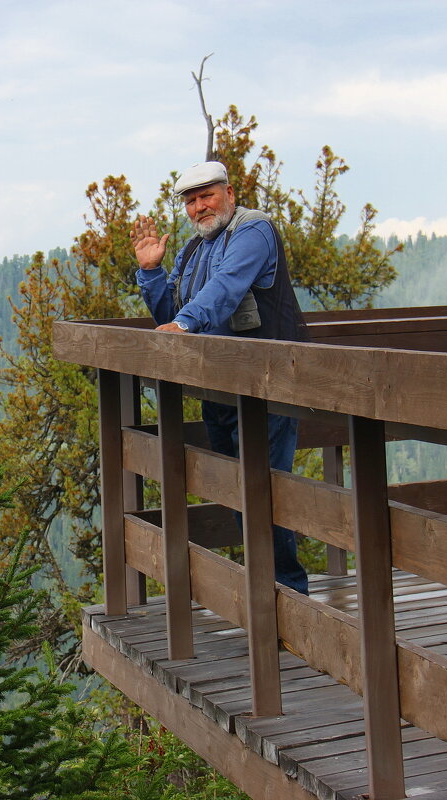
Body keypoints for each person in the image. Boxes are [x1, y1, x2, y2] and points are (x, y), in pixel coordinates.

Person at [131, 160, 309, 595]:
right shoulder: (193, 250)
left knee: (264, 491)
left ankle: (288, 594)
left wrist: (185, 323)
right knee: (238, 491)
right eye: (190, 201)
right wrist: (152, 272)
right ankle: (267, 593)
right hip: (222, 391)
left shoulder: (253, 231)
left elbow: (226, 286)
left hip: (270, 388)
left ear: (229, 193)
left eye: (206, 195)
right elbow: (171, 316)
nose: (198, 207)